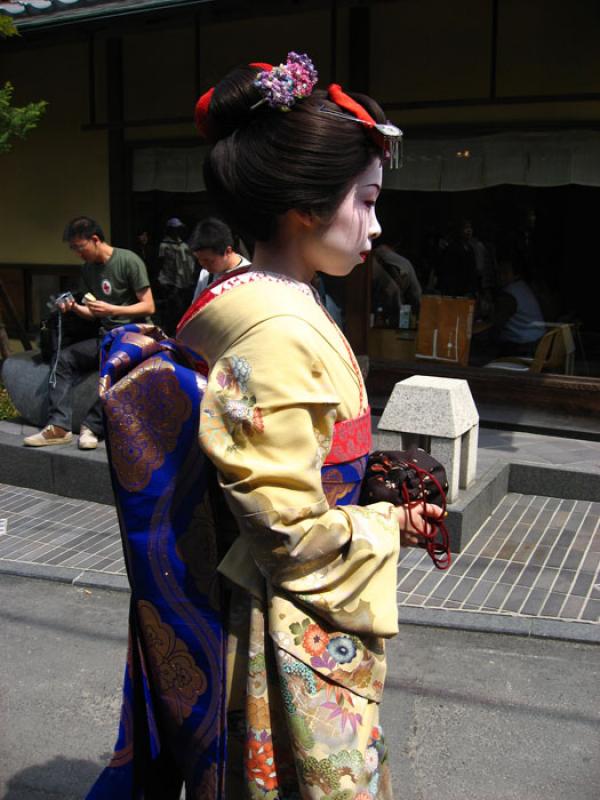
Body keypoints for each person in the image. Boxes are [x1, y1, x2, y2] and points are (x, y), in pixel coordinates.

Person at [88, 54, 443, 799]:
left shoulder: (246, 300)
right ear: (306, 207)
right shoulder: (278, 329)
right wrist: (389, 524)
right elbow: (284, 530)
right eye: (367, 201)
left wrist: (362, 477)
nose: (377, 226)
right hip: (277, 622)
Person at [23, 217, 154, 450]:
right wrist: (73, 307)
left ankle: (92, 426)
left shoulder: (128, 260)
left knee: (118, 366)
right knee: (62, 359)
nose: (77, 253)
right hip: (104, 334)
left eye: (79, 247)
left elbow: (148, 306)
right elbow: (92, 314)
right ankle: (59, 426)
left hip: (132, 334)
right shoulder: (88, 269)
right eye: (73, 248)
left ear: (95, 240)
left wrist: (113, 309)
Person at [189, 216, 251, 302]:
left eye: (208, 260)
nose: (202, 264)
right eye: (199, 260)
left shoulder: (249, 276)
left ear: (228, 251)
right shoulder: (206, 274)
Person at [156, 217, 197, 334]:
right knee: (172, 308)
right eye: (174, 229)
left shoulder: (183, 244)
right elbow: (160, 262)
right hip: (169, 281)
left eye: (178, 229)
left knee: (182, 308)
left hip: (183, 281)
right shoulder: (164, 245)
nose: (177, 231)